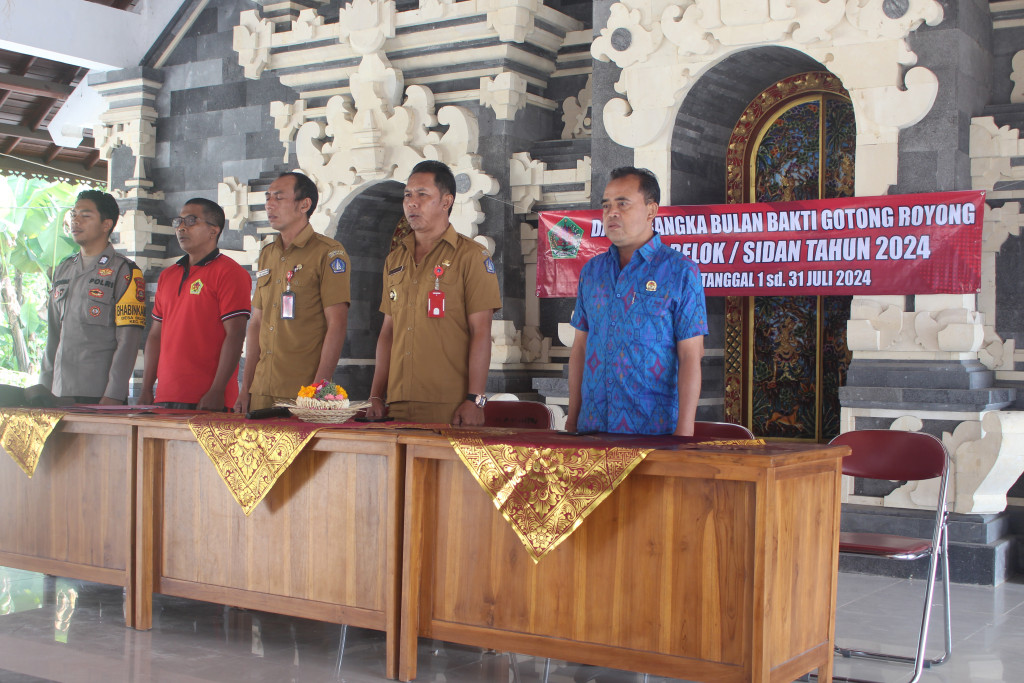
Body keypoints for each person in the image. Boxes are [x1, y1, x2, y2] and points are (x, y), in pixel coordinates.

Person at [566, 167, 708, 436]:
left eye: (623, 204)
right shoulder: (592, 271)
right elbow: (580, 348)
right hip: (592, 429)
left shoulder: (680, 271)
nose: (612, 212)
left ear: (651, 211)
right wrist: (573, 420)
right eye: (606, 205)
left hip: (654, 432)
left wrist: (684, 432)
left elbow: (691, 355)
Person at [365, 160, 501, 424]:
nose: (412, 203)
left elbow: (481, 331)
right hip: (397, 403)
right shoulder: (395, 260)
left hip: (450, 405)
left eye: (422, 195)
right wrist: (376, 396)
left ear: (446, 201)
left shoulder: (471, 256)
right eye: (407, 195)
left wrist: (475, 399)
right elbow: (388, 333)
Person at [235, 172, 350, 413]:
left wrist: (319, 389)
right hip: (261, 388)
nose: (269, 204)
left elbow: (337, 324)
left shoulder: (328, 253)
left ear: (304, 205)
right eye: (268, 197)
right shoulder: (268, 254)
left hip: (302, 391)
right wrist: (245, 388)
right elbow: (256, 323)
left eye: (279, 197)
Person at [140, 199, 251, 410]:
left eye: (191, 221)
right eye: (179, 221)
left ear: (213, 231)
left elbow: (236, 334)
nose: (181, 228)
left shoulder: (230, 273)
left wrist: (217, 390)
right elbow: (155, 335)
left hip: (208, 399)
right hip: (164, 396)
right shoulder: (167, 276)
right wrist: (146, 388)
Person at [40, 189, 146, 404]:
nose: (75, 221)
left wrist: (114, 394)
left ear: (106, 224)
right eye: (73, 215)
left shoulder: (125, 271)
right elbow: (53, 335)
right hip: (59, 391)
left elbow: (128, 341)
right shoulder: (63, 269)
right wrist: (43, 388)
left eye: (85, 216)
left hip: (99, 394)